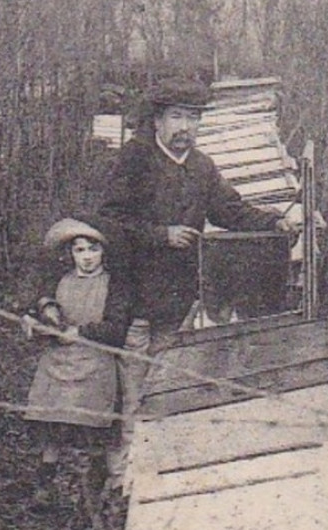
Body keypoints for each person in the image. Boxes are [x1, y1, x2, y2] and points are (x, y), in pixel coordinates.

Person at [96, 78, 304, 435]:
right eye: (177, 117)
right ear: (157, 121)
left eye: (193, 119)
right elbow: (110, 220)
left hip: (181, 299)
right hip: (135, 298)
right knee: (134, 390)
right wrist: (162, 235)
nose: (185, 128)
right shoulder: (135, 159)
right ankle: (123, 479)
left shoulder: (202, 167)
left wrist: (276, 220)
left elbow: (231, 211)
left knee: (172, 386)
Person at [23, 217, 132, 500]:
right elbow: (40, 313)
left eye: (92, 250)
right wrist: (39, 321)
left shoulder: (114, 286)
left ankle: (93, 494)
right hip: (57, 363)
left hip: (95, 364)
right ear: (70, 254)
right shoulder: (59, 282)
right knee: (51, 428)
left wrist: (80, 332)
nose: (86, 258)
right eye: (79, 250)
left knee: (93, 429)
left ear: (103, 252)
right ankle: (44, 488)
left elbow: (116, 329)